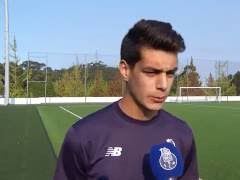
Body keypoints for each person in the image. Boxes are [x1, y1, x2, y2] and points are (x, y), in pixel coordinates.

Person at [54, 19, 199, 180]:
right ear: (125, 70)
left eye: (170, 73)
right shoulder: (83, 136)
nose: (163, 85)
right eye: (151, 72)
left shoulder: (182, 133)